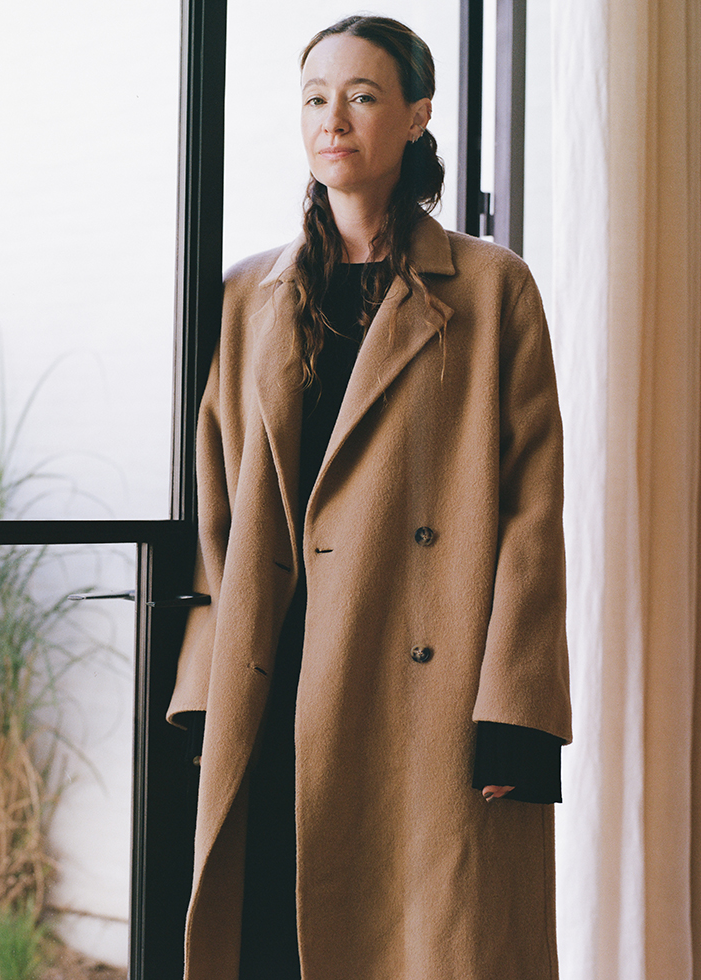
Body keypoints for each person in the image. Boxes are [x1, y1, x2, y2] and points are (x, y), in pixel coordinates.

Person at [168, 14, 571, 980]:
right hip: (277, 665)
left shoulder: (489, 288)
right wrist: (201, 685)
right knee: (274, 932)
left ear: (416, 116)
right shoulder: (246, 295)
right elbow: (218, 507)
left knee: (425, 939)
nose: (333, 119)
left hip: (426, 687)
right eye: (315, 98)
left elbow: (532, 513)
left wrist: (518, 708)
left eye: (361, 96)